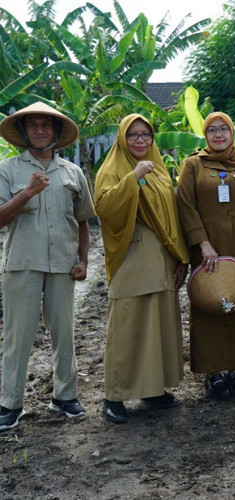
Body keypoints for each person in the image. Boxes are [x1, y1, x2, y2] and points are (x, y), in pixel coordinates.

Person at [0, 102, 96, 431]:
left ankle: (65, 396)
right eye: (33, 125)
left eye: (46, 125)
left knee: (64, 333)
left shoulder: (73, 173)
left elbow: (83, 221)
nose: (40, 130)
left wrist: (83, 259)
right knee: (18, 336)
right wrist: (27, 192)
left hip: (63, 266)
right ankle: (10, 403)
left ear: (56, 133)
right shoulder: (8, 169)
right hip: (22, 264)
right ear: (24, 132)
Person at [94, 114, 189, 423]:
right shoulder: (113, 169)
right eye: (133, 135)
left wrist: (180, 257)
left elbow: (172, 217)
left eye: (145, 135)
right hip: (130, 258)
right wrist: (132, 178)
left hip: (161, 259)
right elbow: (105, 208)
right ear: (123, 138)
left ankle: (152, 390)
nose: (140, 140)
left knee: (157, 326)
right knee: (127, 327)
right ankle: (115, 395)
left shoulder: (160, 169)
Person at [177, 112, 235, 400]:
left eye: (223, 130)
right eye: (212, 130)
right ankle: (212, 372)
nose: (218, 135)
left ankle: (234, 371)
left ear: (232, 134)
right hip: (208, 248)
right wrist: (202, 243)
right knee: (208, 303)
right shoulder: (194, 164)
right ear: (205, 136)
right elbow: (185, 206)